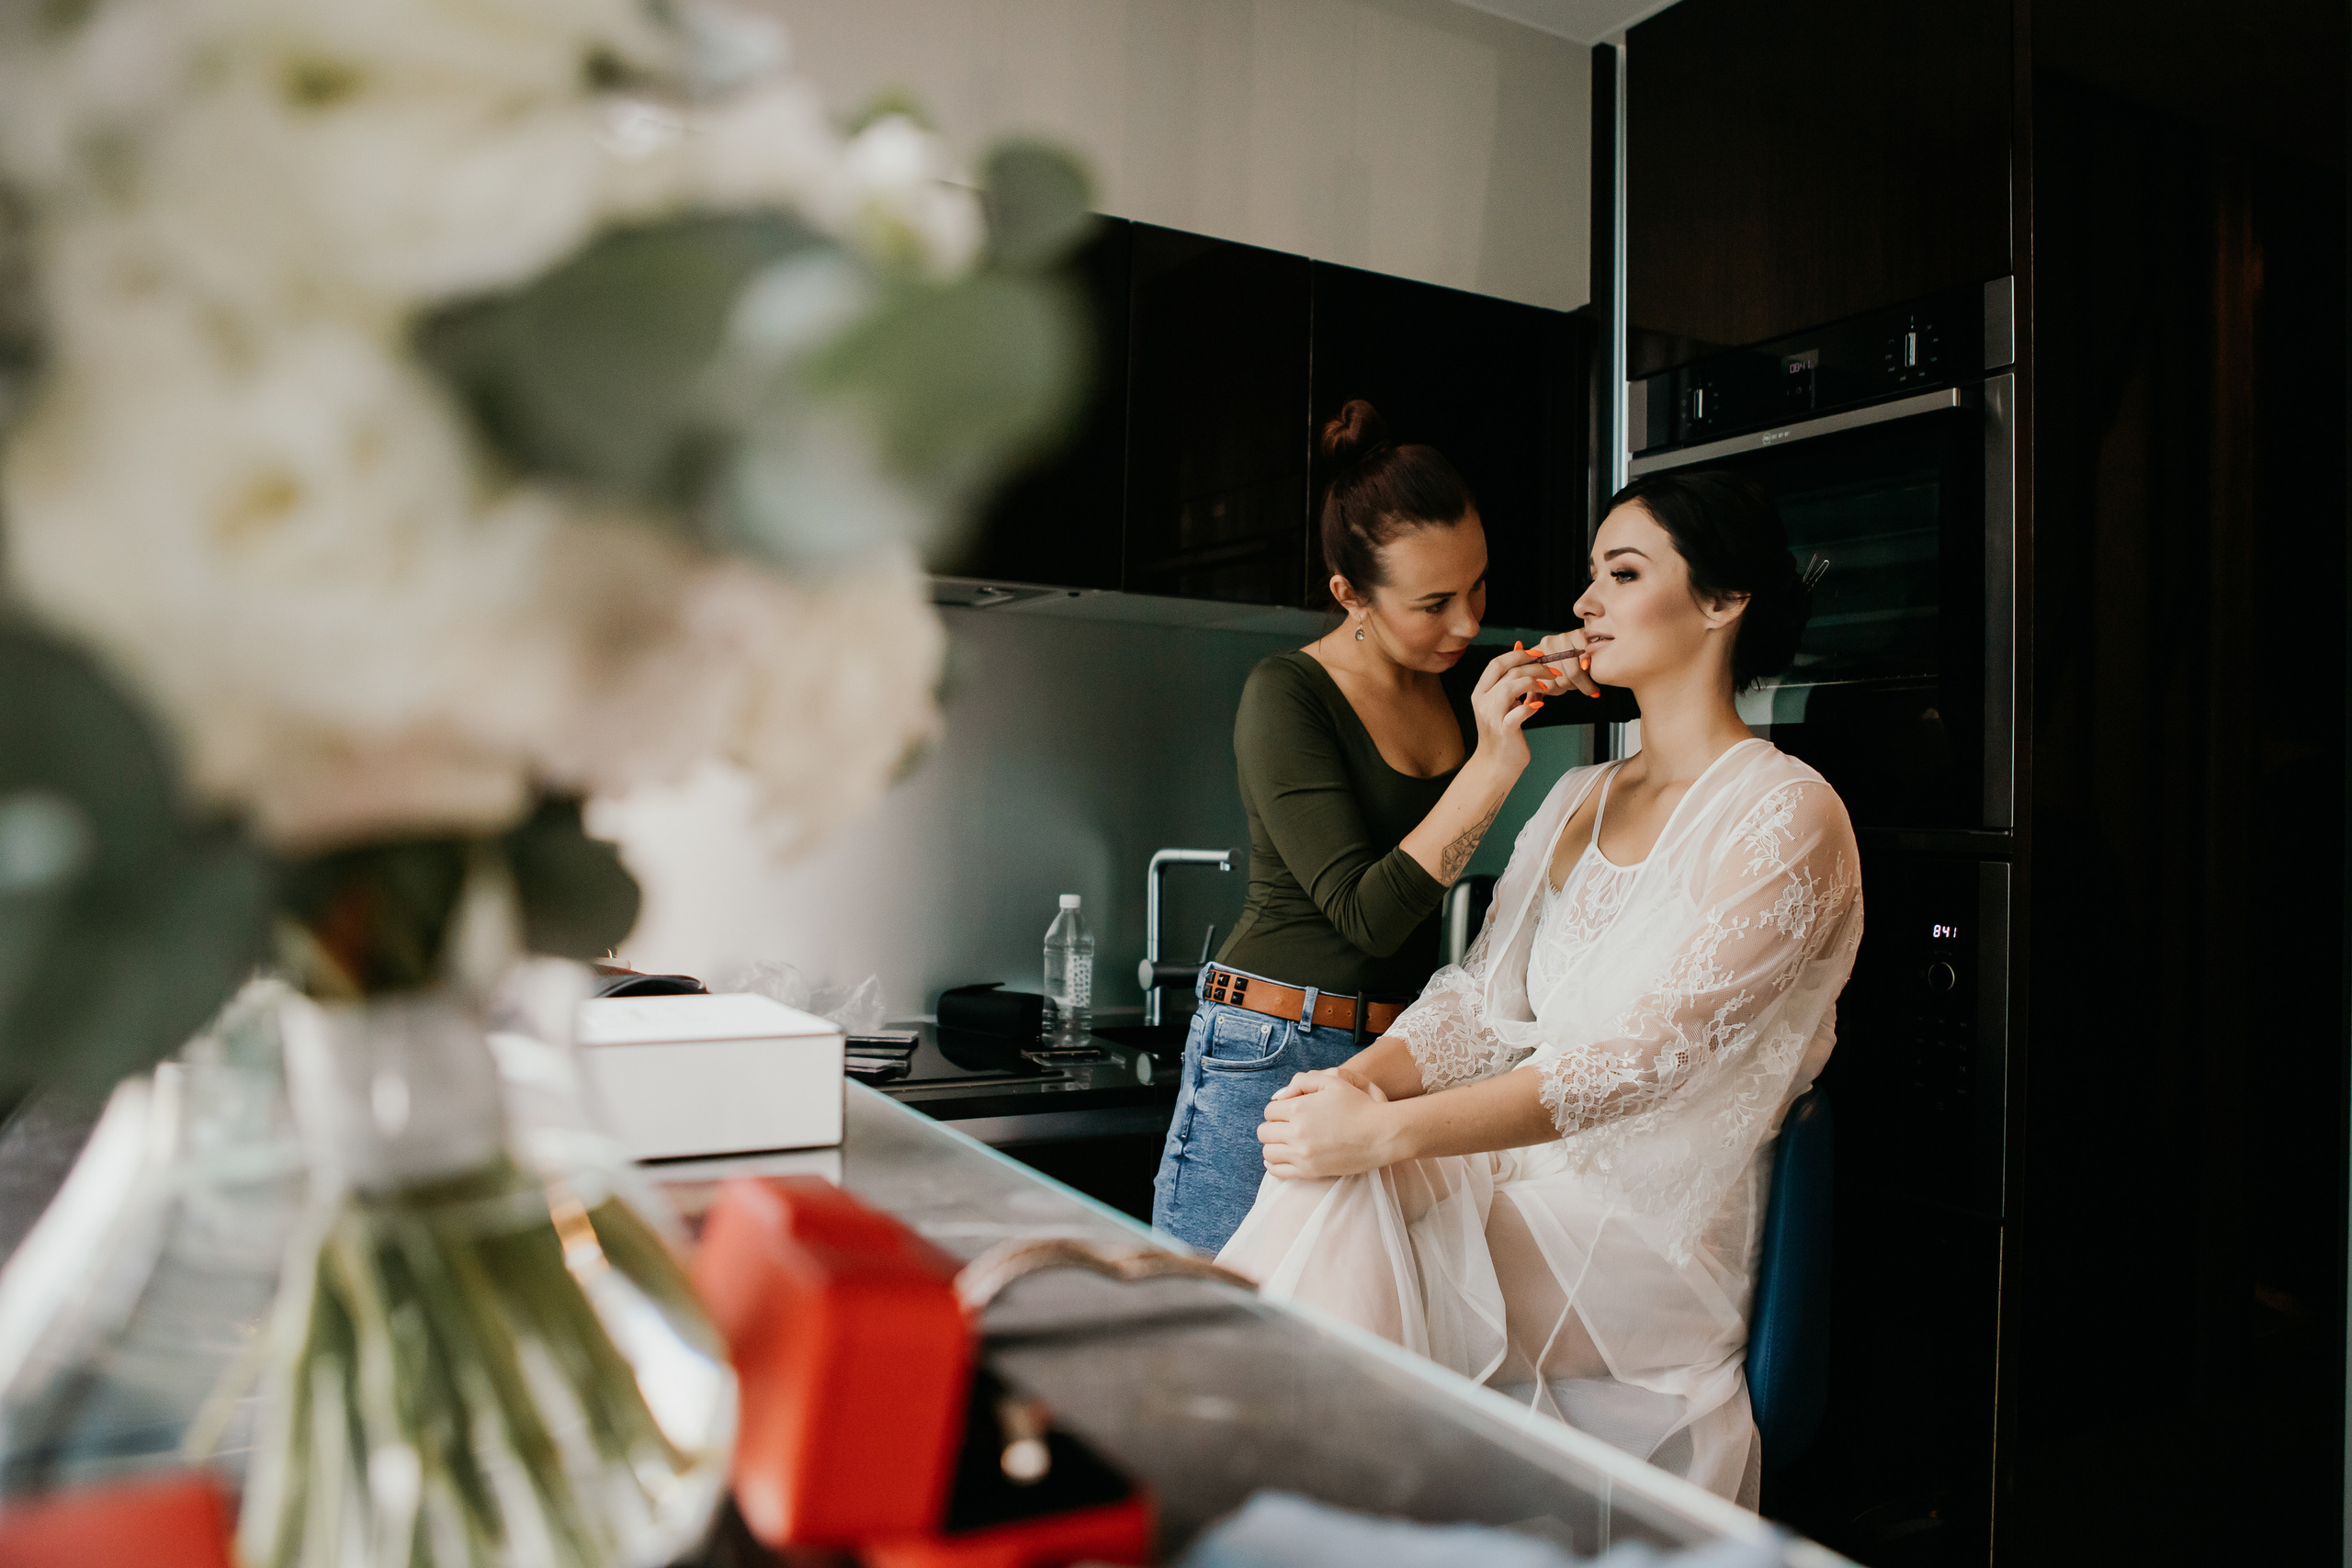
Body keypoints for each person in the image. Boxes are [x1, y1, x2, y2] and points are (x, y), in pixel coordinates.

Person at [1216, 469, 1864, 1507]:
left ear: (1720, 601)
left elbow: (1643, 1065)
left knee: (1348, 1210)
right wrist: (1362, 1088)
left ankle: (1233, 1494)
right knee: (1332, 1186)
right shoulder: (1575, 792)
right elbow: (1476, 1004)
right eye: (1589, 577)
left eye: (1621, 573)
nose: (1583, 604)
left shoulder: (1786, 814)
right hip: (1526, 1187)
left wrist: (1388, 1133)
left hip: (1661, 1238)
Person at [1150, 400, 1588, 1255]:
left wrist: (1588, 655)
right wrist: (1493, 759)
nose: (1466, 623)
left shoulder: (1446, 681)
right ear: (1350, 594)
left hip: (1395, 1063)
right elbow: (1368, 913)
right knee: (1209, 1326)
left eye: (1478, 586)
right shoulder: (1285, 695)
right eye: (1434, 603)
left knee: (1347, 1349)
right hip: (1271, 1047)